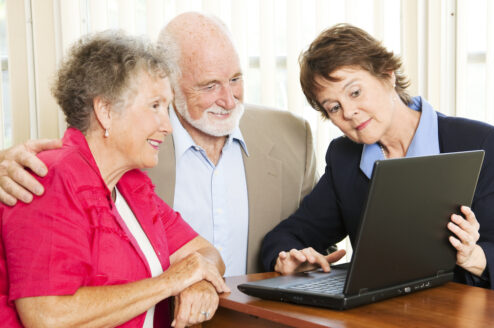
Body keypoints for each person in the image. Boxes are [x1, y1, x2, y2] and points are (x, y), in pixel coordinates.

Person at [0, 12, 317, 276]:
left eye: (235, 79)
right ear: (170, 83)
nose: (229, 99)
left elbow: (315, 241)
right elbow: (64, 163)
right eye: (209, 85)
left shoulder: (293, 135)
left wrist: (301, 264)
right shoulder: (128, 142)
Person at [260, 23, 494, 297]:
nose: (350, 112)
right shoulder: (344, 158)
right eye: (334, 107)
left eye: (355, 92)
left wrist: (473, 256)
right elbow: (289, 235)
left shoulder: (483, 143)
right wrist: (287, 258)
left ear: (387, 74)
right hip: (387, 315)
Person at [1, 31, 229, 328]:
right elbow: (48, 317)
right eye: (155, 106)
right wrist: (171, 282)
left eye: (167, 107)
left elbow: (205, 253)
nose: (167, 126)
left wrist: (199, 281)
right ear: (106, 111)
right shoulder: (51, 178)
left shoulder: (129, 185)